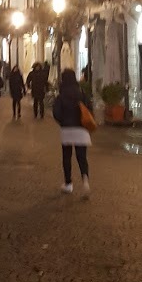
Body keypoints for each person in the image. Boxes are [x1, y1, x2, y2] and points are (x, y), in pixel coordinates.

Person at [52, 68, 92, 197]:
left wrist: (63, 121)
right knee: (82, 157)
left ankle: (68, 184)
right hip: (81, 129)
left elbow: (56, 112)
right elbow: (89, 109)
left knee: (67, 157)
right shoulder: (81, 92)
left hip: (67, 129)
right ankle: (85, 180)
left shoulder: (62, 94)